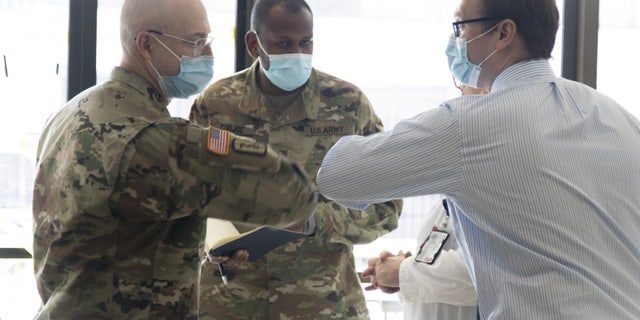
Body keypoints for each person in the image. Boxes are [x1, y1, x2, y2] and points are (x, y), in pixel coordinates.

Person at [316, 0, 640, 318]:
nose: (454, 40)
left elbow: (338, 176)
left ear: (503, 33)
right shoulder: (617, 118)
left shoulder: (469, 125)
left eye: (460, 27)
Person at [31, 0, 318, 318]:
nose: (208, 56)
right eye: (195, 42)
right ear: (147, 44)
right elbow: (292, 192)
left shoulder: (70, 113)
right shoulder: (156, 140)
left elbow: (119, 216)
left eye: (208, 41)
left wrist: (216, 231)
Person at [189, 0, 403, 319]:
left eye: (306, 42)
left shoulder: (348, 106)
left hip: (323, 303)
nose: (298, 53)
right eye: (284, 43)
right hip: (231, 302)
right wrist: (211, 241)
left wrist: (314, 221)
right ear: (253, 43)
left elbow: (387, 206)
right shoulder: (217, 106)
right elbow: (185, 197)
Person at [362, 198, 477, 319]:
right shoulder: (442, 206)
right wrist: (399, 267)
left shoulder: (486, 204)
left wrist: (401, 271)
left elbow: (479, 275)